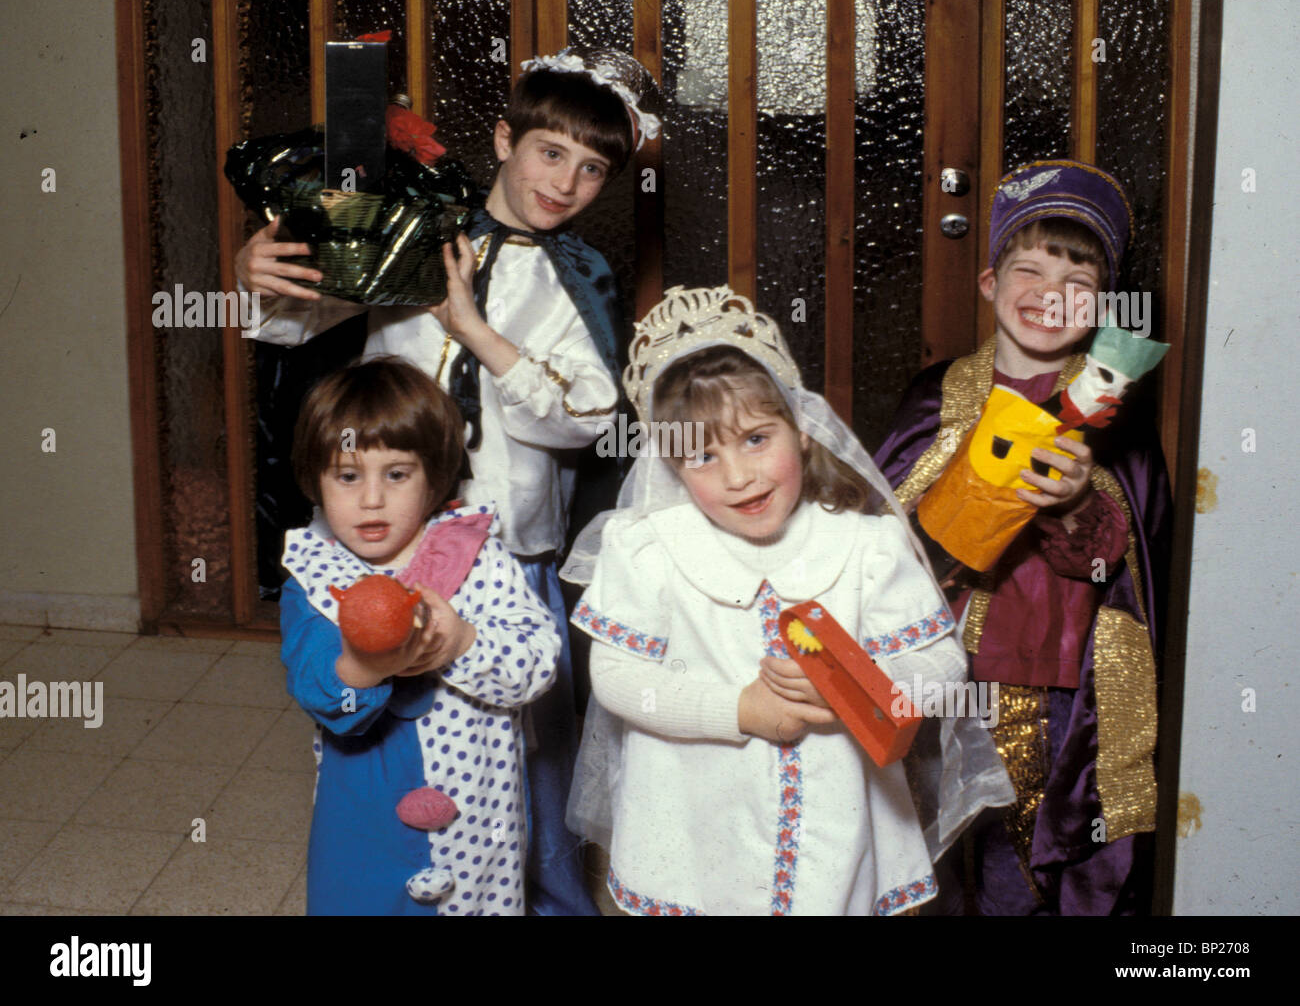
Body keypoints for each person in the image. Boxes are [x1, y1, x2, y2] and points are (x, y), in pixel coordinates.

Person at [240, 47, 662, 915]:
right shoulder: (413, 229)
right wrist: (260, 279)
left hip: (510, 546)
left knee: (528, 749)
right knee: (388, 722)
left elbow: (587, 419)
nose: (567, 182)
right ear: (505, 139)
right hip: (387, 534)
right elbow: (297, 318)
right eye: (550, 152)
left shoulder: (578, 276)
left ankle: (534, 900)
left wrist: (477, 331)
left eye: (593, 170)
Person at [560, 286, 1012, 915]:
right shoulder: (648, 548)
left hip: (840, 817)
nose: (738, 476)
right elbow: (616, 675)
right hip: (693, 826)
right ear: (668, 464)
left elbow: (938, 666)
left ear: (801, 430)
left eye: (755, 439)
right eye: (701, 455)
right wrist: (736, 708)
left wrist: (863, 685)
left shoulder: (864, 545)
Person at [874, 159, 1172, 915]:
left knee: (1065, 866)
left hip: (1075, 692)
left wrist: (1075, 503)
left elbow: (1130, 565)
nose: (1049, 295)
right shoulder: (936, 400)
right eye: (1028, 269)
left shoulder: (1119, 423)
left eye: (1077, 282)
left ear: (1103, 303)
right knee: (955, 860)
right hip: (960, 675)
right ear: (988, 284)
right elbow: (883, 541)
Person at [278, 357, 560, 915]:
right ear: (316, 480)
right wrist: (363, 664)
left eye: (397, 474)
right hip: (362, 807)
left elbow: (538, 660)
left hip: (479, 806)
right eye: (348, 475)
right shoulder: (314, 578)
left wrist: (461, 643)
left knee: (478, 902)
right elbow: (314, 682)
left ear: (435, 476)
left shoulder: (480, 560)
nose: (372, 499)